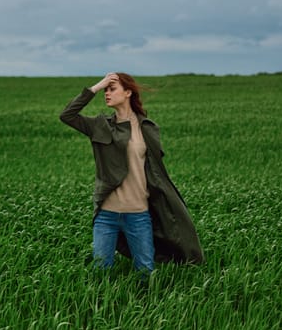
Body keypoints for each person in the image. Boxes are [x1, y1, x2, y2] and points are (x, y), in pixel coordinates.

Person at [60, 73, 204, 278]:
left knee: (145, 271)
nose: (107, 93)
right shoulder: (100, 126)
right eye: (106, 90)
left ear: (128, 92)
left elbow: (156, 172)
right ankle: (103, 308)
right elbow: (67, 115)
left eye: (112, 89)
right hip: (106, 215)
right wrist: (96, 87)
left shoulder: (147, 128)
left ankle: (147, 307)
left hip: (138, 215)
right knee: (101, 271)